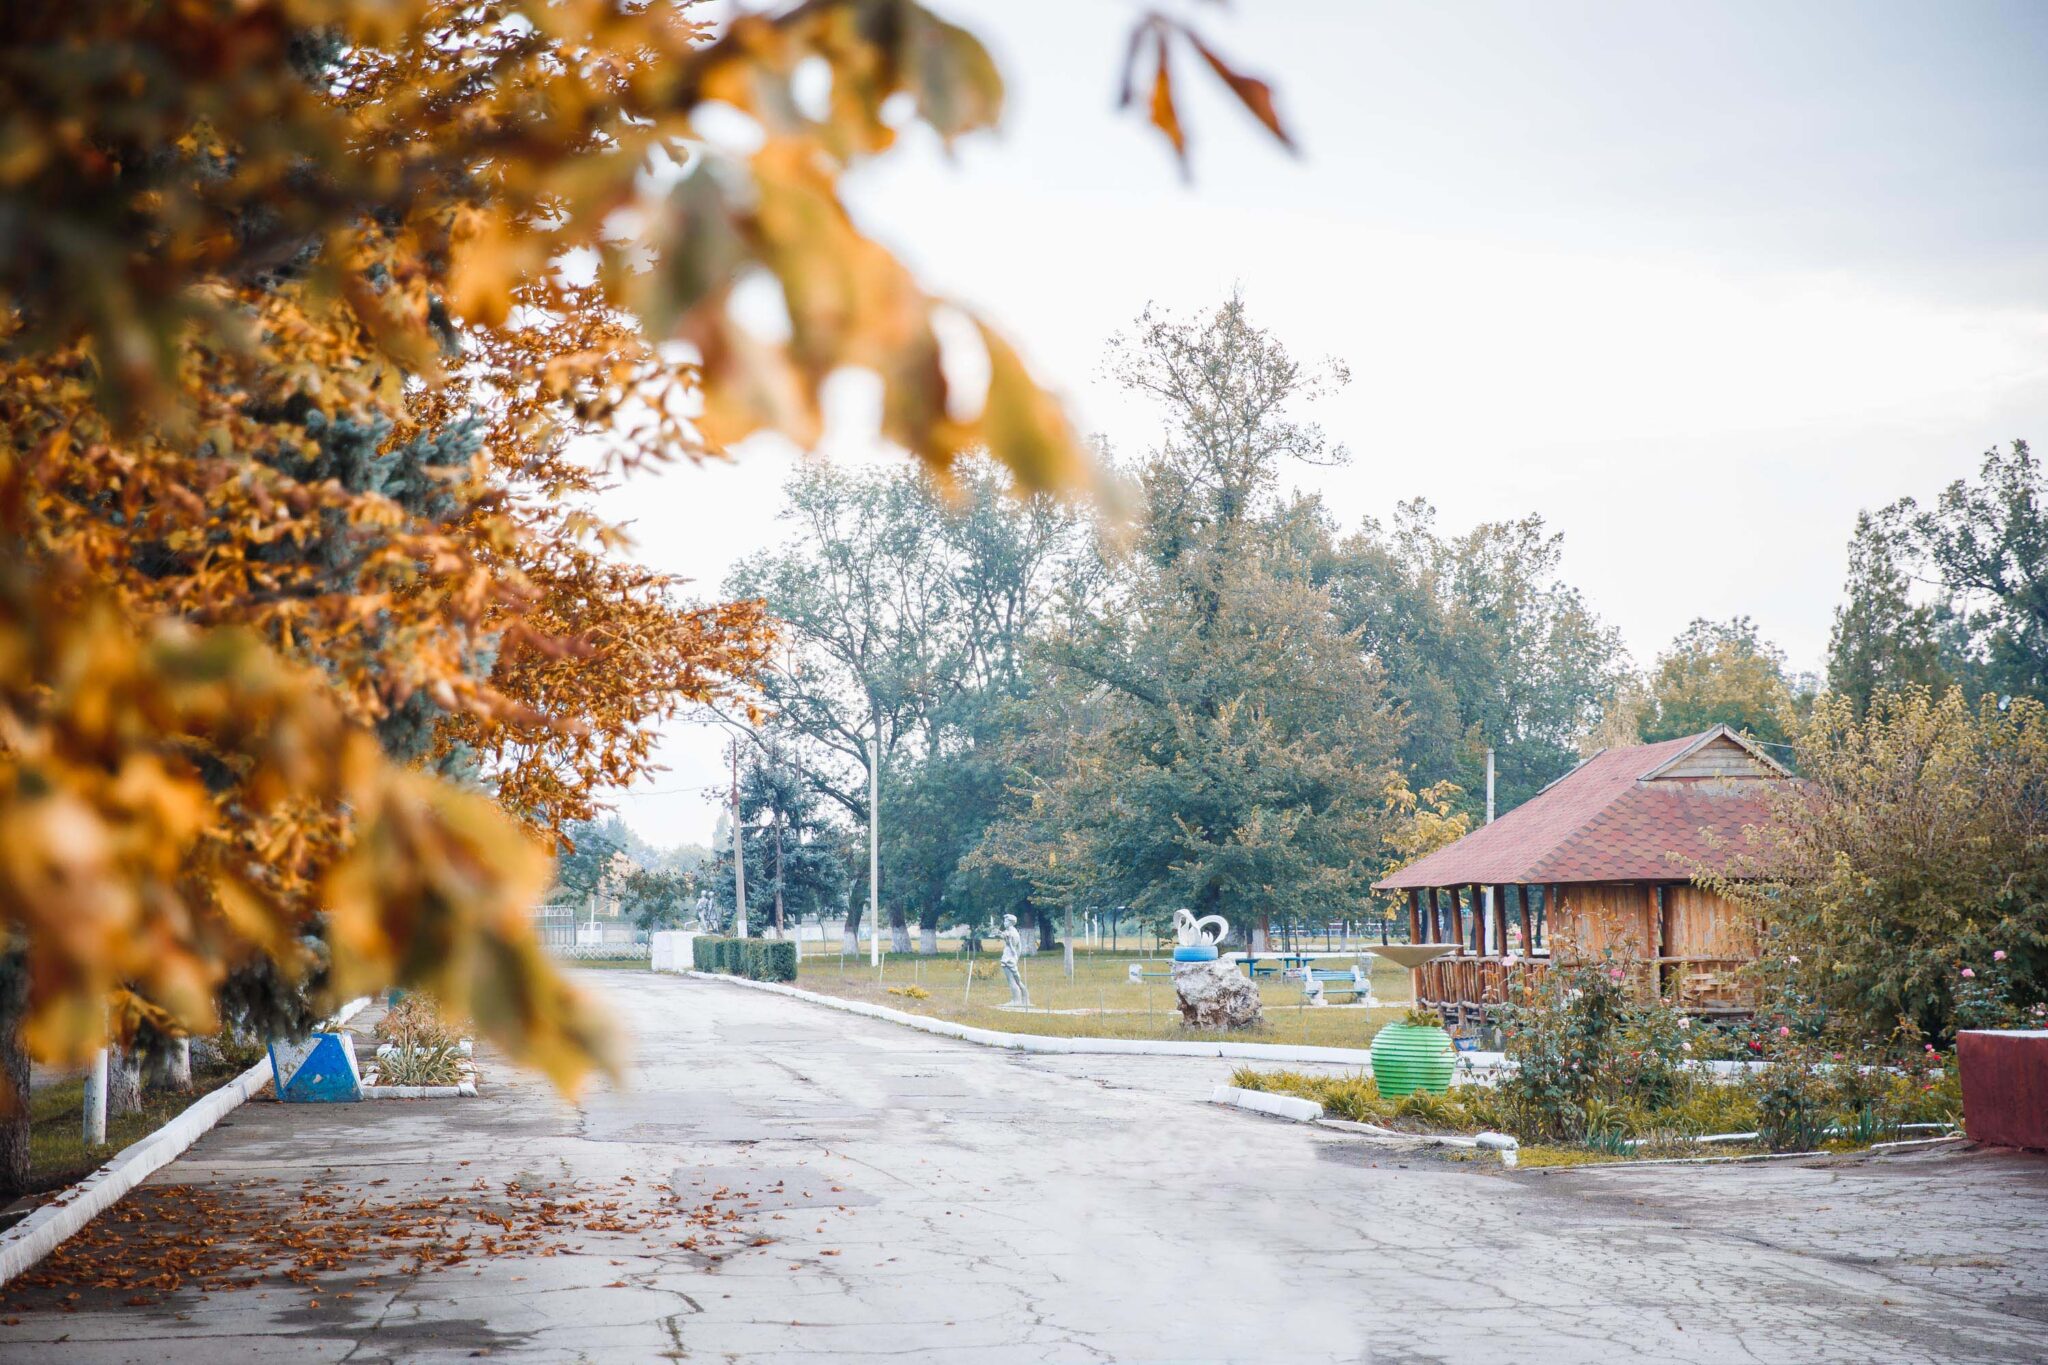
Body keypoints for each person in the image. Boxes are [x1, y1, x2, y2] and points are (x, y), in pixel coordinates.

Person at [999, 913, 1030, 1007]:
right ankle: (1025, 999)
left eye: (1006, 921)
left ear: (1011, 922)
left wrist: (1007, 941)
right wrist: (1016, 957)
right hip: (1012, 958)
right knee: (1017, 980)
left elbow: (1012, 947)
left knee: (1011, 980)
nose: (1004, 923)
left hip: (1008, 958)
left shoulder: (1011, 934)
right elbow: (1019, 947)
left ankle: (1016, 1000)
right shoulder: (1014, 932)